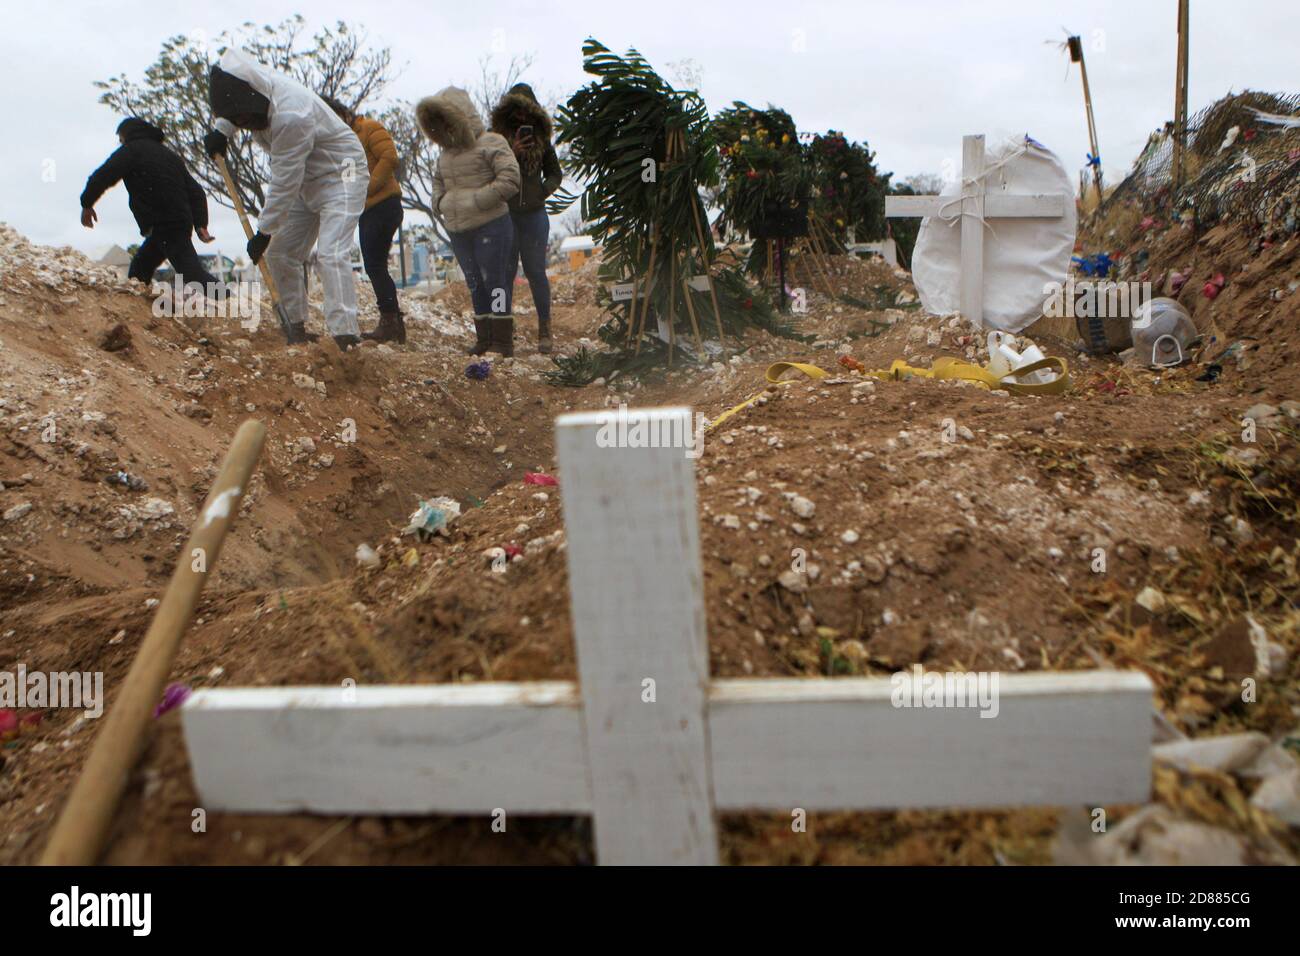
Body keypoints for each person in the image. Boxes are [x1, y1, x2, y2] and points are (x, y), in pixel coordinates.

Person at [202, 49, 369, 351]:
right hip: (307, 178)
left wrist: (264, 231)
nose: (242, 123)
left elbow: (284, 180)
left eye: (241, 118)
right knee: (280, 253)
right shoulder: (253, 84)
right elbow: (233, 106)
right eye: (236, 119)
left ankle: (346, 335)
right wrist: (222, 131)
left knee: (331, 252)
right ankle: (296, 326)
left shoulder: (292, 115)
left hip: (343, 172)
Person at [415, 87, 520, 356]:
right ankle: (484, 339)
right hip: (459, 229)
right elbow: (437, 182)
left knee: (495, 283)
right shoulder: (445, 155)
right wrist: (440, 203)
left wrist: (478, 200)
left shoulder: (492, 141)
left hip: (492, 224)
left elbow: (510, 177)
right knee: (474, 283)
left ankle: (503, 343)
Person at [80, 118, 218, 294]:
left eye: (120, 139)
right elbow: (197, 192)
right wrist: (200, 224)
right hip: (175, 223)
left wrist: (87, 203)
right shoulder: (169, 156)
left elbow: (102, 176)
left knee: (192, 274)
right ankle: (141, 313)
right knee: (139, 270)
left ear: (127, 135)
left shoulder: (131, 151)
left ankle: (231, 301)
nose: (120, 143)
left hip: (165, 223)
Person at [324, 98, 406, 344]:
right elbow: (348, 178)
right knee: (374, 264)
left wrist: (367, 189)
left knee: (374, 265)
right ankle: (391, 320)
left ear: (343, 113)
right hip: (367, 209)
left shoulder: (370, 128)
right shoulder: (341, 143)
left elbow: (389, 157)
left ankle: (391, 322)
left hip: (384, 204)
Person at [490, 83, 563, 354]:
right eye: (516, 110)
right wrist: (512, 150)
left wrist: (542, 191)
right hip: (504, 215)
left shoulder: (542, 140)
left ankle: (545, 329)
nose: (521, 117)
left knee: (536, 273)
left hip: (533, 215)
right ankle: (503, 333)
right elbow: (487, 169)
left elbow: (556, 173)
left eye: (525, 111)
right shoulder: (495, 139)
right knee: (504, 275)